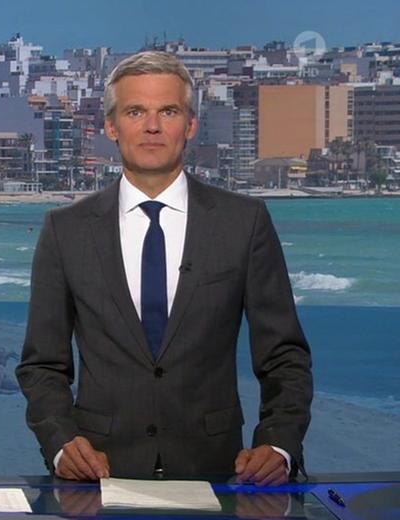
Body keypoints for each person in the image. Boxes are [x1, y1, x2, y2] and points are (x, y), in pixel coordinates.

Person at [16, 51, 312, 485]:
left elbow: (284, 356)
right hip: (98, 474)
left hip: (217, 471)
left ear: (190, 125)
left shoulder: (243, 223)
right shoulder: (66, 230)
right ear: (111, 126)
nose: (152, 126)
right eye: (135, 111)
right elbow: (42, 365)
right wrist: (61, 443)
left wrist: (279, 442)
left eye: (168, 111)